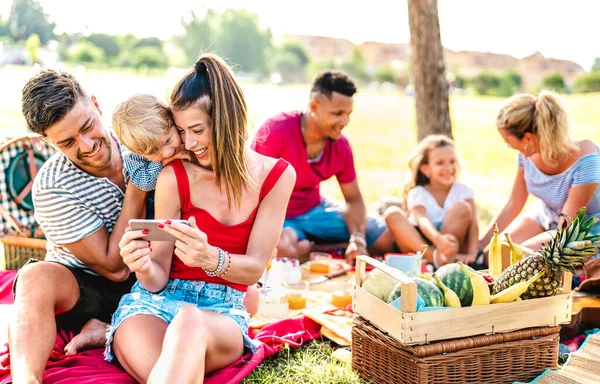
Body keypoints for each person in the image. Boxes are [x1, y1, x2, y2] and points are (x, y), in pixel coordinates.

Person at [106, 54, 295, 383]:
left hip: (221, 311)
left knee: (189, 321)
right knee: (167, 373)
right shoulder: (173, 176)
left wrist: (212, 258)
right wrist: (141, 264)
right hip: (154, 305)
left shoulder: (276, 176)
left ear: (227, 120)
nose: (189, 143)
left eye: (197, 130)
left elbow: (253, 269)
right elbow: (158, 277)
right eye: (181, 131)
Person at [10, 70, 146, 384]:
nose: (87, 146)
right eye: (68, 142)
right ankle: (26, 379)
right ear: (49, 143)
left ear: (97, 105)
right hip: (91, 286)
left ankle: (106, 328)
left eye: (87, 127)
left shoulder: (142, 140)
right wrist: (140, 186)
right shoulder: (51, 186)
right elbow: (115, 268)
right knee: (33, 277)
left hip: (162, 274)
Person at [111, 93, 260, 316]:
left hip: (197, 232)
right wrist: (164, 163)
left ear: (172, 122)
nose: (167, 151)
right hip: (158, 215)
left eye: (169, 141)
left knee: (253, 297)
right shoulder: (141, 157)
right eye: (154, 152)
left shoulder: (189, 142)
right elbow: (143, 181)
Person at [251, 71, 391, 263]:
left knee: (384, 238)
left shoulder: (341, 145)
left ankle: (316, 248)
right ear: (314, 106)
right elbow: (249, 188)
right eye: (337, 114)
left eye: (348, 115)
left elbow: (354, 198)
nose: (344, 122)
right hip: (280, 216)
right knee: (280, 249)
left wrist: (357, 239)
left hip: (316, 210)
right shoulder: (275, 131)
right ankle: (323, 248)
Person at [479, 91, 600, 251]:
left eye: (508, 141)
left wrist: (529, 252)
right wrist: (481, 245)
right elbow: (513, 204)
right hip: (547, 216)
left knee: (519, 260)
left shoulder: (585, 162)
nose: (508, 146)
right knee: (497, 253)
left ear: (528, 138)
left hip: (581, 231)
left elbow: (565, 233)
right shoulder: (527, 155)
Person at [384, 135, 479, 267]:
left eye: (452, 162)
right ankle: (433, 257)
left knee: (462, 208)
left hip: (451, 245)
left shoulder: (463, 191)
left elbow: (474, 224)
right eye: (440, 163)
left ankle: (441, 258)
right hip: (422, 245)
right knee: (392, 214)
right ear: (425, 169)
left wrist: (472, 253)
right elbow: (423, 220)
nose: (448, 167)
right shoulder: (418, 193)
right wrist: (437, 240)